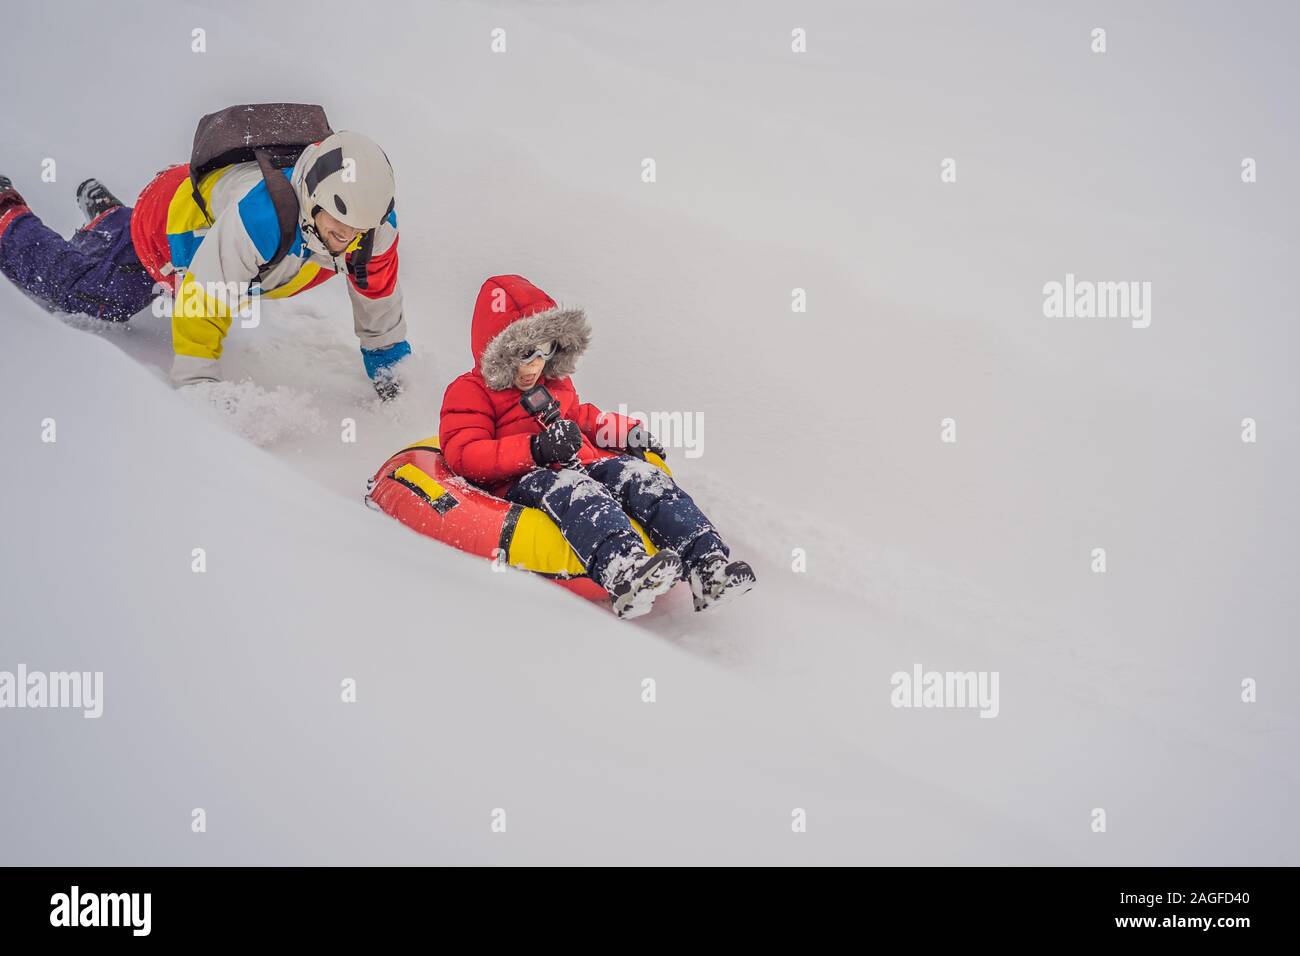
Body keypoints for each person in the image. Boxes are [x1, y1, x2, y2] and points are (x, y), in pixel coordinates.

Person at [0, 129, 410, 397]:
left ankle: (108, 222)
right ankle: (8, 215)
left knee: (111, 264)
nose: (350, 244)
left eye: (359, 232)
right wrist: (198, 385)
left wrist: (390, 367)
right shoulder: (263, 216)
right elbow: (204, 295)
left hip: (209, 212)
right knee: (89, 293)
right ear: (312, 201)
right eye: (339, 232)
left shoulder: (370, 229)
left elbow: (378, 297)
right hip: (164, 229)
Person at [439, 274, 756, 619]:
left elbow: (583, 417)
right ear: (499, 352)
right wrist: (535, 449)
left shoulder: (553, 384)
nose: (535, 365)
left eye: (545, 351)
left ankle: (707, 565)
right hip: (525, 480)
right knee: (578, 491)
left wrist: (627, 433)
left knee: (640, 478)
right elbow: (465, 453)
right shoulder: (470, 392)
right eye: (524, 353)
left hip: (579, 464)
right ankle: (624, 572)